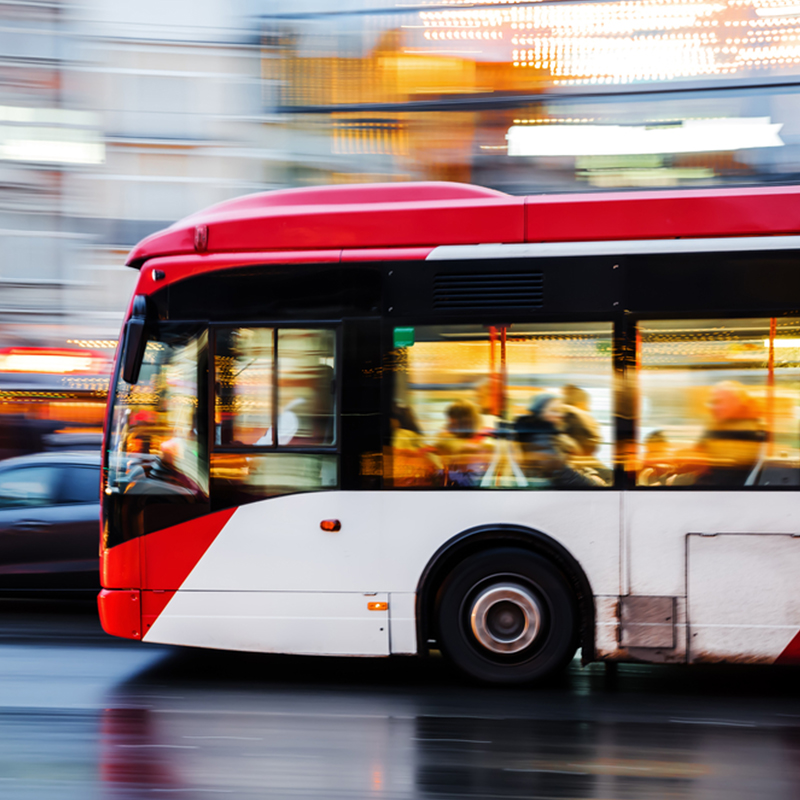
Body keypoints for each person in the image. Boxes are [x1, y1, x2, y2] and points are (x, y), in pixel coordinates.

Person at [513, 393, 605, 487]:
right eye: (554, 411)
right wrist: (594, 482)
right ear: (541, 413)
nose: (560, 415)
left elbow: (566, 467)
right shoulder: (540, 439)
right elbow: (563, 475)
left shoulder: (549, 436)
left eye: (560, 411)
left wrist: (589, 473)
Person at [434, 399, 494, 487]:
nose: (449, 427)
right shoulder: (450, 442)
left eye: (452, 423)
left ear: (464, 423)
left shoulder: (478, 447)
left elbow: (469, 483)